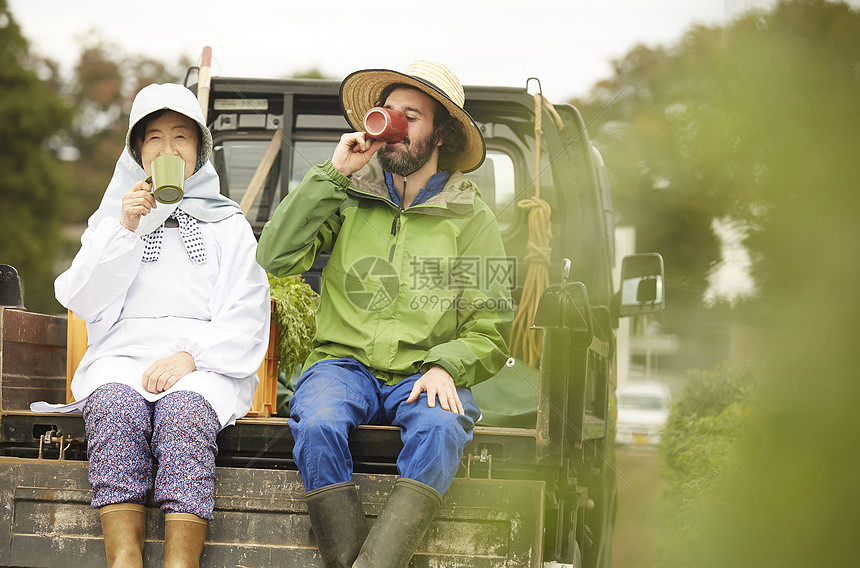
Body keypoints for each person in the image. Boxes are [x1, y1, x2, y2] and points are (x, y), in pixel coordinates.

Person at [255, 60, 513, 568]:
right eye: (387, 111)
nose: (393, 122)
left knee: (442, 429)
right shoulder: (350, 196)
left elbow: (490, 326)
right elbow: (272, 259)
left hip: (422, 372)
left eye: (410, 115)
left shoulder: (472, 218)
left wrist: (446, 366)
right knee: (318, 422)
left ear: (439, 133)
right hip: (342, 366)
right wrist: (333, 174)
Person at [49, 83, 270, 567]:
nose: (168, 150)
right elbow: (84, 298)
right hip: (124, 355)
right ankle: (124, 559)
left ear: (199, 151)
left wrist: (191, 357)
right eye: (154, 138)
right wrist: (126, 228)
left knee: (184, 415)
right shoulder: (114, 218)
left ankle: (179, 562)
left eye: (181, 139)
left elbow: (247, 310)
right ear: (137, 150)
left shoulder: (226, 223)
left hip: (201, 360)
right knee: (112, 406)